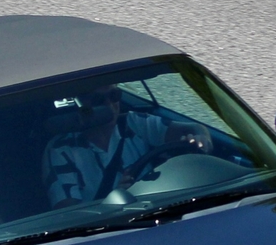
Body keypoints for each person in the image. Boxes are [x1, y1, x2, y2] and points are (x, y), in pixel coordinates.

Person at [44, 85, 209, 206]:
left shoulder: (134, 123)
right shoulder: (61, 149)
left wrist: (201, 138)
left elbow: (191, 128)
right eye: (99, 100)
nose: (110, 104)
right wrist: (111, 199)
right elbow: (68, 213)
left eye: (114, 95)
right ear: (83, 106)